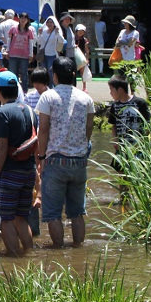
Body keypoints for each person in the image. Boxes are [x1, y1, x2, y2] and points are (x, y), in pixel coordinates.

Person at [36, 57, 94, 248]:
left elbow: (43, 129)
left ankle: (58, 252)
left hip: (55, 159)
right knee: (77, 212)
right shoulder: (86, 98)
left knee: (52, 214)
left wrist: (41, 156)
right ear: (73, 75)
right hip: (79, 160)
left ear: (54, 75)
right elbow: (88, 128)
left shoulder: (48, 97)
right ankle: (79, 251)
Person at [0, 71, 38, 256]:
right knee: (21, 218)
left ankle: (15, 259)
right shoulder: (30, 111)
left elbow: (2, 149)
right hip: (29, 171)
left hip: (10, 173)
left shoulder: (2, 112)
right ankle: (29, 256)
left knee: (6, 219)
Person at [37, 17, 65, 82]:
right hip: (43, 55)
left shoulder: (56, 31)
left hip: (52, 54)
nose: (49, 24)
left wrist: (58, 33)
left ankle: (51, 85)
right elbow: (39, 42)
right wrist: (39, 34)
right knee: (43, 71)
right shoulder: (43, 31)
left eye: (51, 22)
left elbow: (61, 41)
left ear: (54, 23)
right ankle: (45, 85)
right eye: (48, 22)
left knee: (50, 71)